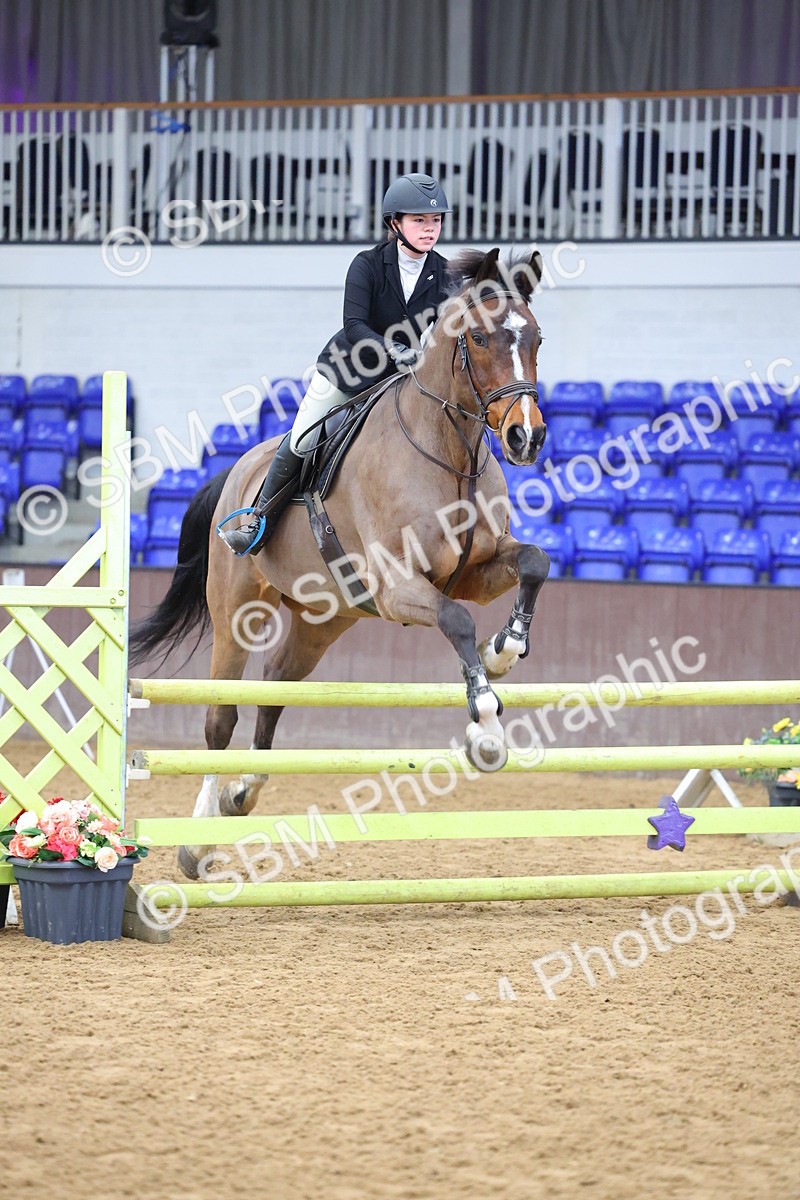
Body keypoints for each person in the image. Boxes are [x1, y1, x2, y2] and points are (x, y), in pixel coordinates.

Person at [220, 172, 452, 555]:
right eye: (419, 220)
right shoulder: (367, 265)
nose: (430, 229)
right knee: (304, 438)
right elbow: (355, 325)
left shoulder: (445, 274)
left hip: (403, 382)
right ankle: (259, 522)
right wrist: (396, 349)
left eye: (436, 220)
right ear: (395, 223)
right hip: (348, 373)